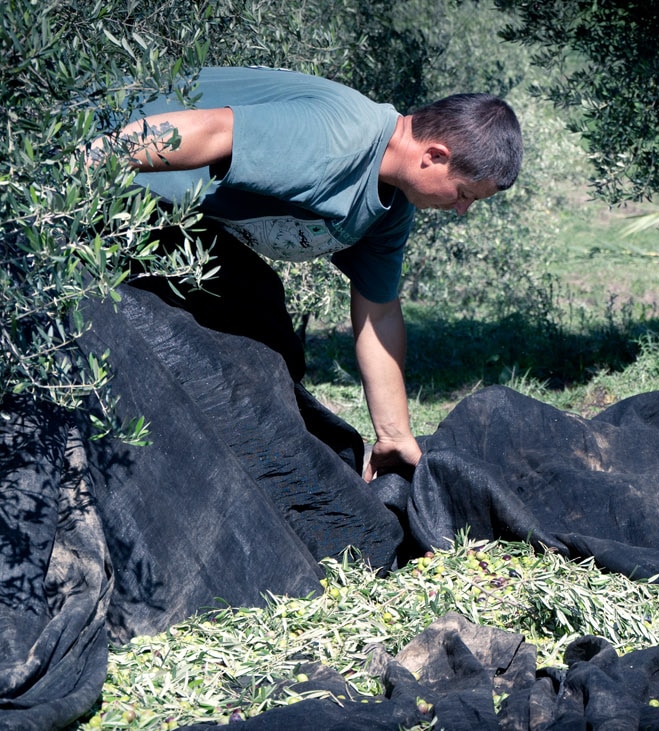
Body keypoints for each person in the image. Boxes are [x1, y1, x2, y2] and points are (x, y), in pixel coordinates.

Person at [95, 66, 523, 481]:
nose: (462, 210)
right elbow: (212, 131)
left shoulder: (390, 210)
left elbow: (380, 314)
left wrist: (393, 434)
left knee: (268, 334)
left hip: (186, 230)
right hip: (114, 176)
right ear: (434, 156)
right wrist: (72, 170)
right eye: (465, 194)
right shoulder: (342, 136)